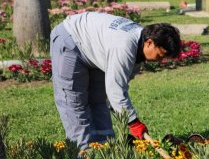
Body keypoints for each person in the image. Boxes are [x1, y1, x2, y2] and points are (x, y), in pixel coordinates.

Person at [50, 12, 181, 150]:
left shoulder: (139, 48)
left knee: (99, 100)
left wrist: (118, 107)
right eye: (160, 55)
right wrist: (133, 122)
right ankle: (83, 157)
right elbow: (116, 90)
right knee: (75, 103)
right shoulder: (124, 46)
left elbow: (116, 92)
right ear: (149, 43)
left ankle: (106, 151)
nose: (160, 61)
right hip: (70, 40)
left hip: (94, 47)